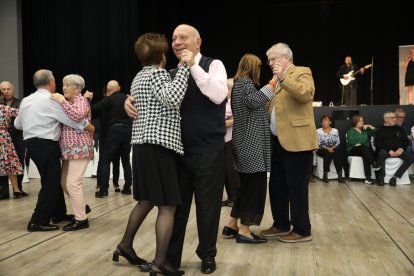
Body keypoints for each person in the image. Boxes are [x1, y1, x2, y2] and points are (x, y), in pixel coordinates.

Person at [125, 24, 227, 274]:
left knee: (208, 208)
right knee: (174, 208)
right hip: (176, 152)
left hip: (208, 149)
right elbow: (148, 97)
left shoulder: (214, 65)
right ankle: (168, 259)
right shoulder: (168, 73)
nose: (177, 42)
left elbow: (217, 95)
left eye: (183, 37)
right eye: (173, 38)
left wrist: (192, 66)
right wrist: (127, 102)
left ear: (197, 42)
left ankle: (207, 255)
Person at [113, 33, 194, 276]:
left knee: (146, 199)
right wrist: (184, 68)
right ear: (162, 55)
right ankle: (160, 263)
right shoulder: (158, 73)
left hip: (142, 145)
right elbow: (172, 98)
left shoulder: (139, 76)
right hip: (159, 145)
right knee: (168, 206)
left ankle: (125, 245)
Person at [14, 69, 93, 232]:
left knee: (55, 180)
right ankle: (37, 221)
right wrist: (87, 126)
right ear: (51, 82)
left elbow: (17, 125)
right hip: (47, 144)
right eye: (60, 83)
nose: (62, 86)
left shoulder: (26, 100)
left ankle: (59, 213)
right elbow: (69, 119)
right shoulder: (51, 99)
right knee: (51, 182)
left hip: (31, 144)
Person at [260, 42, 317, 243]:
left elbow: (306, 94)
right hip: (277, 142)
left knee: (297, 188)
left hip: (298, 142)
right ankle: (281, 224)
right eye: (269, 60)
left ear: (286, 58)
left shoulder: (302, 71)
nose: (270, 63)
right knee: (277, 187)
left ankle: (302, 230)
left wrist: (283, 78)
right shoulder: (275, 80)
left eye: (273, 59)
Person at [221, 53, 275, 244]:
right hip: (250, 145)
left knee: (245, 187)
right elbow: (255, 101)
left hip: (244, 143)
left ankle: (232, 224)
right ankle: (245, 230)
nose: (260, 70)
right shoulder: (245, 83)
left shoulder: (239, 85)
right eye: (259, 67)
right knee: (255, 187)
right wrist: (274, 81)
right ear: (252, 67)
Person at [50, 74, 94, 231]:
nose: (64, 88)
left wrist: (62, 101)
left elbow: (77, 116)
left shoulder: (81, 101)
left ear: (77, 88)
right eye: (63, 84)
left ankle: (81, 219)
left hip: (79, 148)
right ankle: (81, 207)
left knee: (72, 182)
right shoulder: (71, 102)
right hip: (69, 149)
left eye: (67, 85)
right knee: (64, 183)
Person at [92, 80, 133, 198]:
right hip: (129, 130)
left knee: (105, 160)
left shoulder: (109, 99)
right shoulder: (128, 98)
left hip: (114, 130)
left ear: (108, 91)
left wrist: (88, 100)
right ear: (119, 88)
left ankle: (103, 189)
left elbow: (93, 110)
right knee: (125, 160)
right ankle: (127, 188)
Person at [0, 81, 28, 197]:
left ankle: (18, 189)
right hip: (5, 137)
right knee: (2, 164)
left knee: (17, 162)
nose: (6, 91)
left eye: (8, 89)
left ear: (13, 89)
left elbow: (24, 115)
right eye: (3, 89)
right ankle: (4, 191)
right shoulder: (2, 105)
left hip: (16, 137)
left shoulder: (20, 103)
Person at [374, 111, 414, 186]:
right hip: (385, 151)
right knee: (381, 153)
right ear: (385, 119)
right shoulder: (380, 129)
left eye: (395, 118)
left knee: (410, 157)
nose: (395, 119)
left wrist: (401, 149)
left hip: (398, 151)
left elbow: (406, 141)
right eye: (392, 118)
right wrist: (389, 150)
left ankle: (395, 177)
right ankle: (381, 177)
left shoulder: (399, 129)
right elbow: (378, 143)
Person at [96, 81, 122, 193]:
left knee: (112, 160)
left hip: (111, 135)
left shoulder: (113, 103)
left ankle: (113, 184)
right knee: (104, 160)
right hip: (105, 135)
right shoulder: (103, 104)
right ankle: (101, 184)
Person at [222, 78, 240, 207]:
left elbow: (222, 116)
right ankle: (230, 196)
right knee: (225, 171)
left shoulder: (234, 102)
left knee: (231, 170)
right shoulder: (225, 102)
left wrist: (228, 120)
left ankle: (236, 198)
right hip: (223, 139)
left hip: (232, 139)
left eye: (227, 88)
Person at [346, 114, 380, 184]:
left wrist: (370, 126)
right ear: (355, 122)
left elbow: (376, 132)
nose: (362, 122)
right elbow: (353, 143)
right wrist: (362, 143)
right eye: (360, 121)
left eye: (362, 121)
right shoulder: (350, 131)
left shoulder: (365, 130)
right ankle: (374, 163)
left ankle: (368, 178)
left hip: (364, 150)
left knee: (365, 155)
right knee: (364, 148)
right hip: (353, 150)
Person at [316, 114, 345, 183]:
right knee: (327, 152)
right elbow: (318, 143)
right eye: (323, 121)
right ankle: (325, 174)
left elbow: (338, 142)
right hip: (321, 149)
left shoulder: (335, 131)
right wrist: (327, 148)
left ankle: (339, 174)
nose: (324, 123)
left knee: (336, 152)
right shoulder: (318, 131)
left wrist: (332, 148)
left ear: (330, 122)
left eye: (326, 121)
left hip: (333, 148)